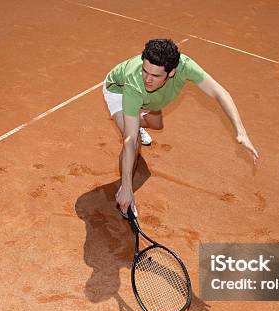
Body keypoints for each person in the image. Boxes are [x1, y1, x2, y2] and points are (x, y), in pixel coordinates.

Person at [102, 38, 259, 216]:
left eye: (155, 75)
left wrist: (241, 132)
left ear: (172, 72)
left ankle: (135, 121)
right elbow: (129, 140)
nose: (147, 79)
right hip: (120, 91)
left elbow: (219, 92)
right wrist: (128, 188)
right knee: (134, 139)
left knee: (157, 124)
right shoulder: (135, 81)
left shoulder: (185, 66)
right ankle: (125, 191)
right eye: (145, 71)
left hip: (148, 98)